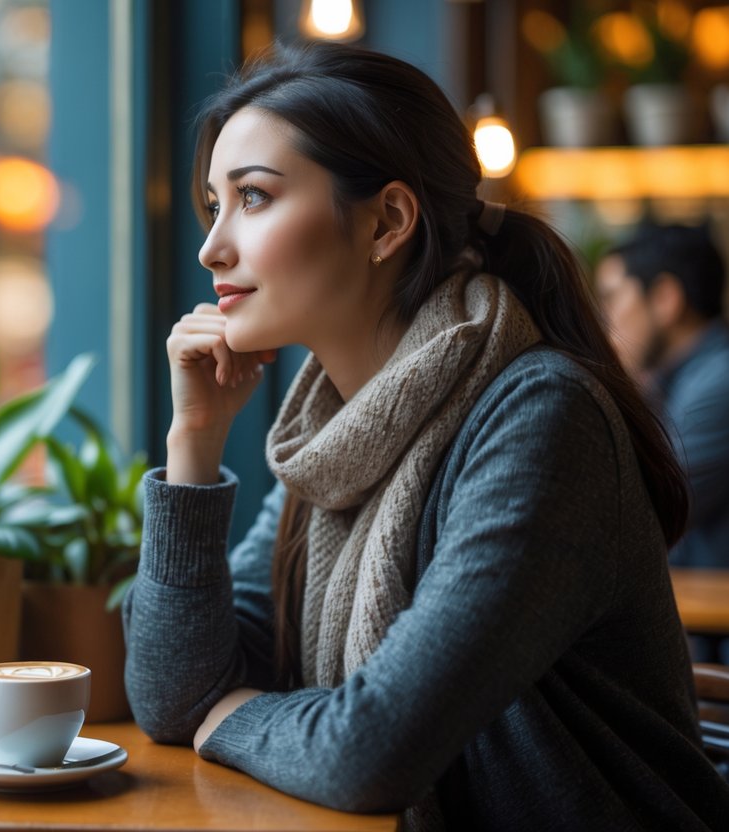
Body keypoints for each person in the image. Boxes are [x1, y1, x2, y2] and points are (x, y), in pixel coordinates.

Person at [121, 42, 729, 831]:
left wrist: (233, 718)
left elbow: (372, 751)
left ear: (387, 222)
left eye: (255, 198)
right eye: (214, 205)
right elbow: (175, 696)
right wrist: (192, 446)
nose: (212, 248)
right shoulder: (332, 436)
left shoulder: (540, 418)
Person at [596, 224, 729, 569]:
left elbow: (638, 515)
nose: (604, 320)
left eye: (612, 298)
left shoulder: (719, 382)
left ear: (666, 299)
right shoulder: (679, 379)